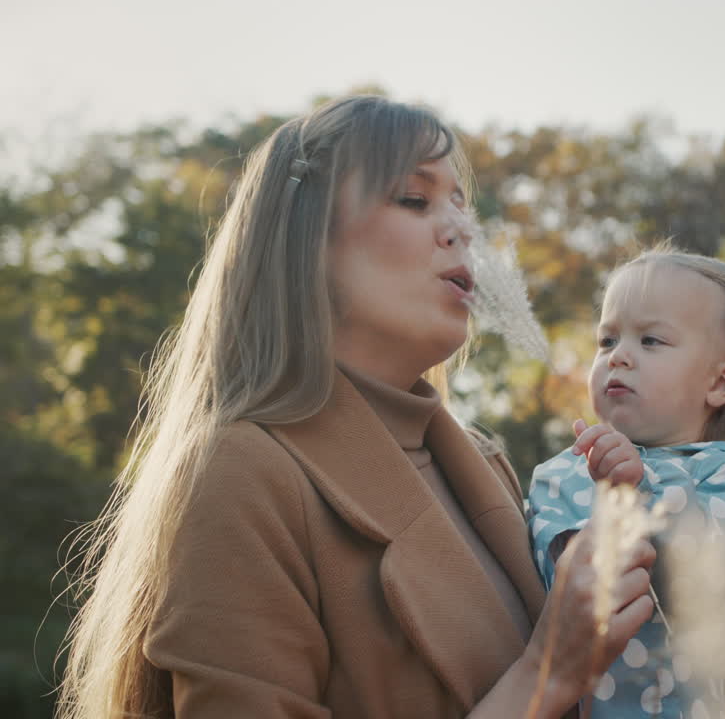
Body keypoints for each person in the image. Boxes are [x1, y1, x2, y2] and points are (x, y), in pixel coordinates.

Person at [57, 94, 655, 719]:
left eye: (460, 203)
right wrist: (546, 674)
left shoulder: (483, 464)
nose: (461, 228)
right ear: (308, 239)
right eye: (414, 199)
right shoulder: (241, 473)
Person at [526, 225, 725, 718]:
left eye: (651, 340)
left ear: (720, 383)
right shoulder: (559, 475)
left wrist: (645, 492)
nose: (620, 356)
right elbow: (546, 594)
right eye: (607, 339)